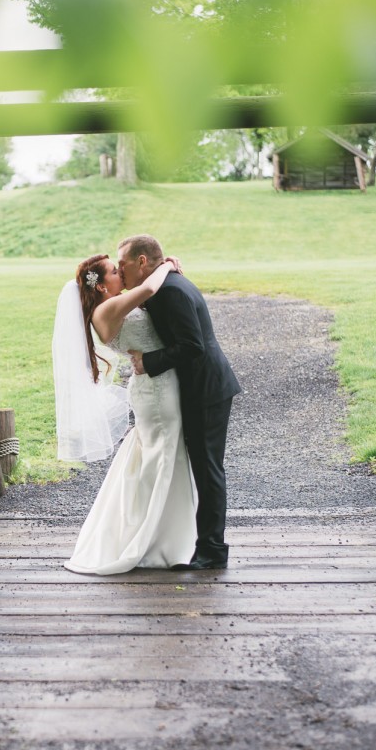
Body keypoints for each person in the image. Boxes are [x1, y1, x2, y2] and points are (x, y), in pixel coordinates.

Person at [53, 253, 196, 575]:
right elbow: (147, 290)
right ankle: (155, 540)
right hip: (156, 392)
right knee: (162, 455)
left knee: (158, 455)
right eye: (115, 271)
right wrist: (167, 267)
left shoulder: (113, 303)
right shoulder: (107, 309)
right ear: (102, 286)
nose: (121, 273)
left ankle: (164, 535)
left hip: (155, 385)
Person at [119, 234, 240, 571]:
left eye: (124, 263)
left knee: (208, 470)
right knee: (203, 468)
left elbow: (193, 345)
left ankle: (213, 551)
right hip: (199, 387)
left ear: (142, 262)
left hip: (206, 390)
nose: (119, 269)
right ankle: (198, 545)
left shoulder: (171, 292)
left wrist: (149, 362)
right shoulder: (166, 284)